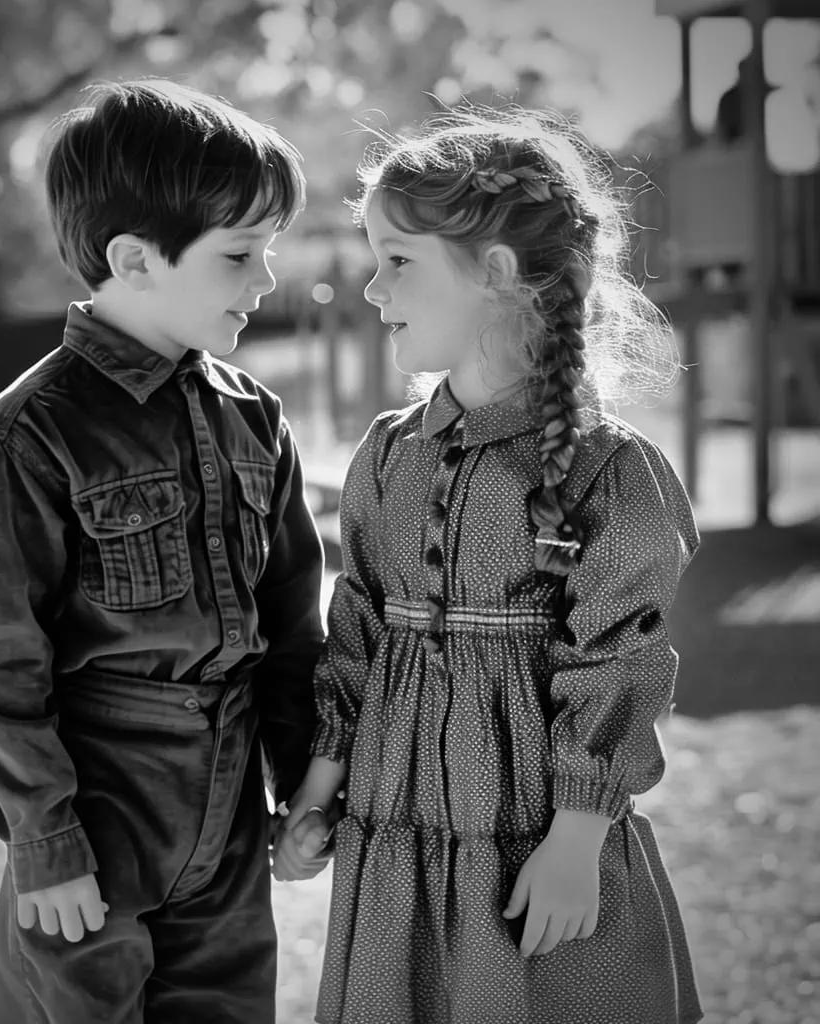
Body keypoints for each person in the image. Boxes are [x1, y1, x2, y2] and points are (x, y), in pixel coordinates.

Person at [275, 106, 704, 1024]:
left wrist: (580, 836)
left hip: (532, 837)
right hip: (396, 823)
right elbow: (358, 626)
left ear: (497, 274)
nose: (373, 290)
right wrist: (318, 786)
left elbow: (623, 660)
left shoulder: (608, 471)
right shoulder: (388, 456)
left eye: (399, 261)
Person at [0, 78, 327, 1024]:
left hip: (230, 823)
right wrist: (45, 840)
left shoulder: (256, 418)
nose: (267, 279)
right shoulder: (29, 434)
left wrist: (301, 784)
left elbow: (289, 624)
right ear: (135, 258)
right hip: (97, 823)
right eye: (242, 253)